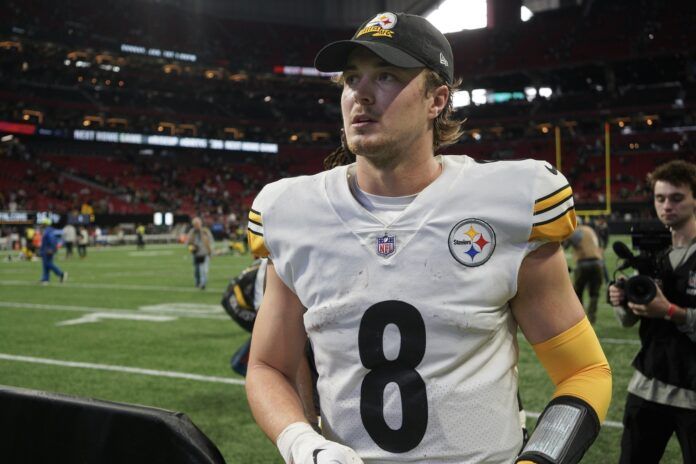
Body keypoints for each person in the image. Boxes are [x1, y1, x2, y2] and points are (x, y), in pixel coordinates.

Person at [245, 12, 611, 464]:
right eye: (351, 78)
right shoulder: (294, 213)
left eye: (386, 76)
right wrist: (303, 443)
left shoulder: (505, 204)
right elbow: (268, 367)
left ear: (437, 100)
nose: (360, 92)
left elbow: (585, 371)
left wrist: (538, 460)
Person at [608, 159, 696, 464]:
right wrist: (622, 299)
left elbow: (667, 312)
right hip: (648, 385)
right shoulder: (652, 255)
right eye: (660, 198)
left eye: (676, 197)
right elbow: (629, 320)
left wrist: (670, 311)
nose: (666, 206)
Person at [564, 222, 604, 323]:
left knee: (577, 292)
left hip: (583, 263)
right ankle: (592, 317)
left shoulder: (577, 231)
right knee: (594, 293)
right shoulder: (590, 230)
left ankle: (580, 318)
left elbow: (566, 245)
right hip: (598, 263)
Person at [187, 217, 213, 290]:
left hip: (204, 253)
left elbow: (210, 242)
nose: (196, 226)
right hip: (196, 254)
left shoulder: (205, 231)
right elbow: (188, 242)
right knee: (197, 270)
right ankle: (197, 283)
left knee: (203, 270)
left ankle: (203, 283)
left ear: (200, 224)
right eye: (195, 224)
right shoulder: (192, 232)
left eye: (197, 224)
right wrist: (192, 246)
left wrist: (210, 252)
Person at [39, 219, 67, 284]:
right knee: (45, 264)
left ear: (45, 224)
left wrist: (51, 249)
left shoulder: (48, 231)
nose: (41, 225)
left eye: (43, 223)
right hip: (46, 249)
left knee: (48, 264)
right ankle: (45, 279)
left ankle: (61, 274)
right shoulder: (49, 231)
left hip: (47, 250)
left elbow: (52, 241)